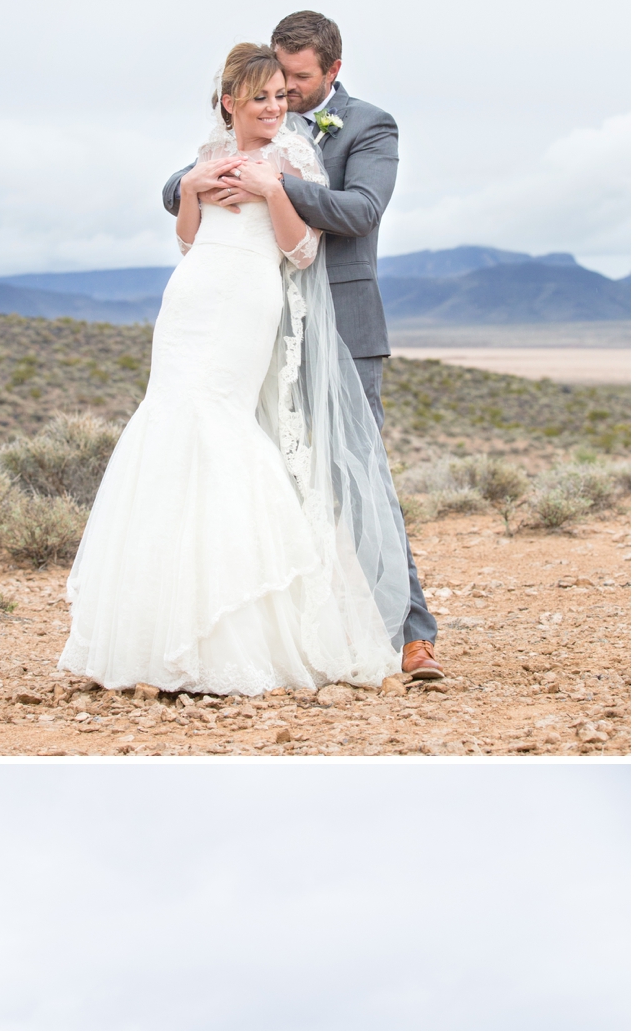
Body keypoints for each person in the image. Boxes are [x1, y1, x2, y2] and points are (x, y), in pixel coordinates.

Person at [61, 43, 413, 697]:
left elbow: (303, 251)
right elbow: (189, 239)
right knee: (169, 426)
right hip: (191, 296)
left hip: (250, 299)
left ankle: (241, 627)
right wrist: (194, 188)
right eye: (262, 99)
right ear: (231, 102)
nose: (276, 109)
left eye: (282, 97)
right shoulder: (205, 154)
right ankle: (157, 628)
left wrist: (273, 188)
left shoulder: (296, 158)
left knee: (221, 425)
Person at [164, 8, 443, 680]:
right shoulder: (262, 119)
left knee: (357, 477)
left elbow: (360, 211)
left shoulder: (370, 126)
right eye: (276, 79)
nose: (284, 93)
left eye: (298, 80)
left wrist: (278, 186)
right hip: (256, 329)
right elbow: (175, 186)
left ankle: (412, 636)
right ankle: (275, 633)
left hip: (343, 326)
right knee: (264, 475)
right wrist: (200, 182)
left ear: (333, 72)